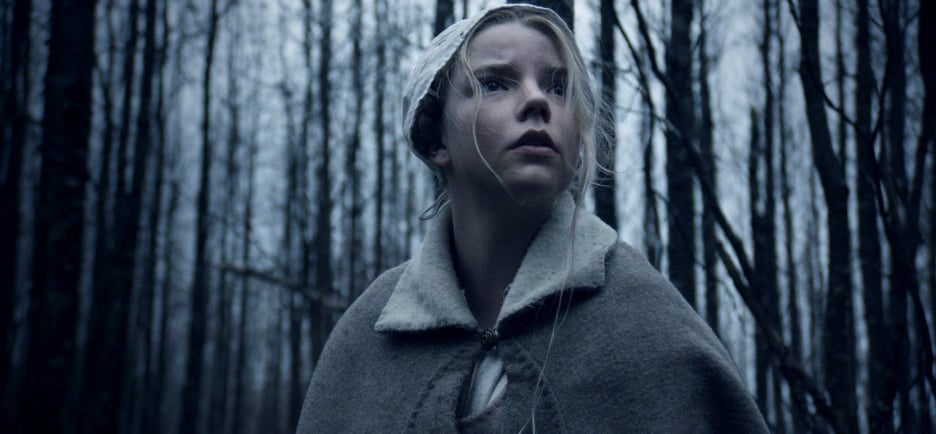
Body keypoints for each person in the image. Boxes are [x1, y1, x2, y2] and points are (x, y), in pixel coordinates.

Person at [297, 4, 769, 433]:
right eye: (495, 83)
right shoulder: (370, 334)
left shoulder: (647, 321)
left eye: (558, 87)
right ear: (434, 138)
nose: (537, 101)